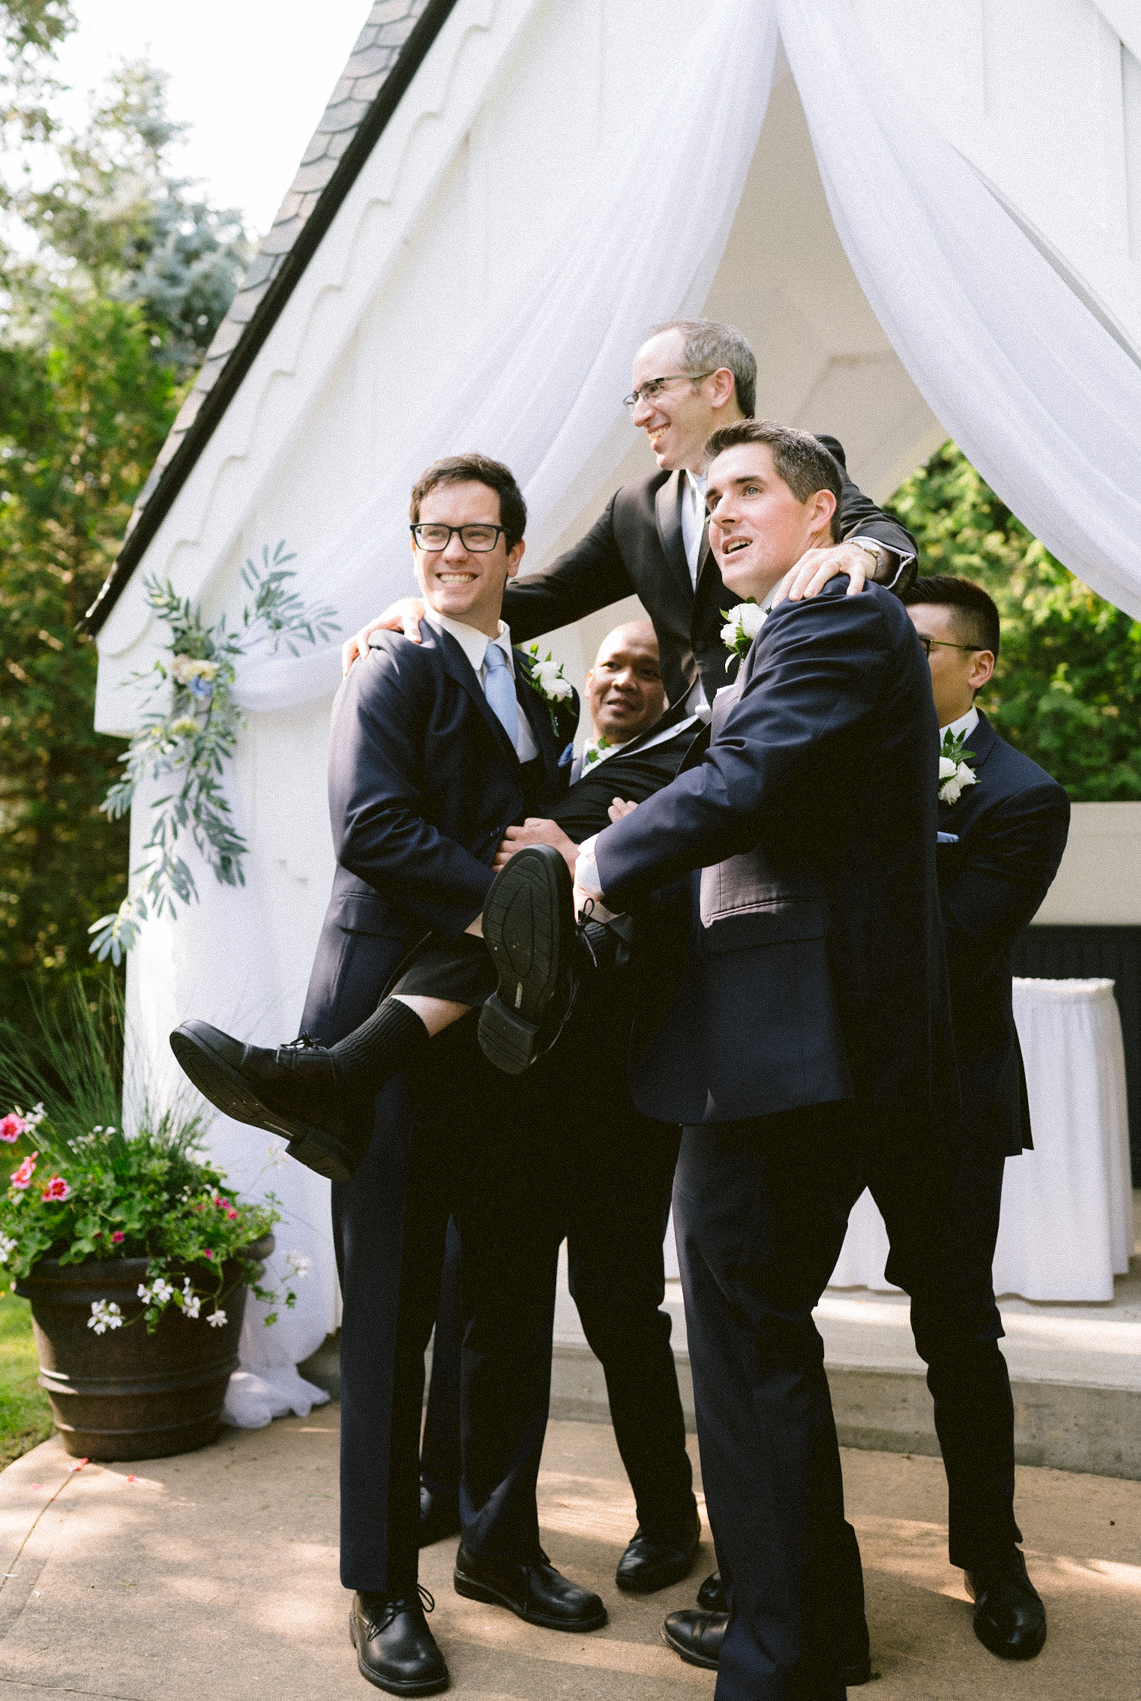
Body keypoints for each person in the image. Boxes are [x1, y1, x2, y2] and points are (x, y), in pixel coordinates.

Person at [485, 422, 955, 1696]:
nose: (724, 512)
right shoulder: (796, 630)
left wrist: (594, 864)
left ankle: (776, 1658)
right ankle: (815, 1623)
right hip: (785, 1047)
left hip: (784, 1052)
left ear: (822, 517)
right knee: (762, 1342)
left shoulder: (835, 618)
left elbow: (746, 781)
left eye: (750, 490)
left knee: (747, 1351)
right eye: (712, 498)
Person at [170, 455, 609, 1698]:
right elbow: (371, 827)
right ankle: (379, 1587)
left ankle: (499, 1546)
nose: (450, 552)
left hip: (505, 1040)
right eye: (432, 532)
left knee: (509, 1296)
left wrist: (557, 873)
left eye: (476, 534)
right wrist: (519, 913)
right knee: (395, 1312)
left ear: (514, 553)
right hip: (387, 1022)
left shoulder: (530, 681)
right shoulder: (391, 662)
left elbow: (530, 821)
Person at [688, 574, 1072, 1666]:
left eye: (919, 651)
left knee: (957, 1332)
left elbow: (947, 951)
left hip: (942, 1105)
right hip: (819, 1093)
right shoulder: (835, 758)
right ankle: (791, 1578)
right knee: (770, 1323)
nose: (888, 666)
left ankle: (991, 1557)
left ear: (977, 667)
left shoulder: (1022, 796)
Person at [417, 618, 708, 1596]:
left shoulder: (684, 784)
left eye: (647, 671)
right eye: (611, 664)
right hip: (513, 1085)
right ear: (586, 677)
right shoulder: (534, 764)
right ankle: (462, 1499)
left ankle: (667, 1516)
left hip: (623, 1094)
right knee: (490, 1302)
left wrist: (590, 857)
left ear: (673, 692)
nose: (624, 680)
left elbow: (684, 925)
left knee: (619, 1306)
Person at [344, 317, 918, 713]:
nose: (640, 415)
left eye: (654, 390)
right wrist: (433, 607)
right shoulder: (636, 508)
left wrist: (858, 550)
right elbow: (549, 596)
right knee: (547, 830)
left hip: (772, 714)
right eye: (634, 398)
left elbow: (878, 531)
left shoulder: (799, 463)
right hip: (677, 734)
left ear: (718, 386)